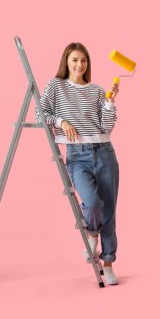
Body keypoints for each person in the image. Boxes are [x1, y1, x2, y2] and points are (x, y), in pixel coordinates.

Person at [35, 42, 120, 285]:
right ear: (66, 61)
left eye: (83, 60)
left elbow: (107, 126)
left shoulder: (96, 90)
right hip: (76, 154)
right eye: (74, 60)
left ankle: (109, 264)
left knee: (110, 213)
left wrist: (110, 102)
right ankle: (92, 234)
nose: (79, 65)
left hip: (105, 152)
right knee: (92, 203)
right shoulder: (56, 86)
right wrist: (61, 121)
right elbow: (40, 113)